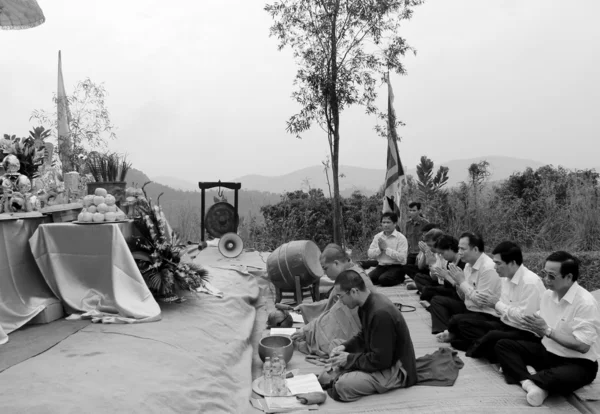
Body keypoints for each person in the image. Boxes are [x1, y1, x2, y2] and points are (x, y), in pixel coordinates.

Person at [494, 251, 600, 407]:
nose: (546, 280)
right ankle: (531, 384)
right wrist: (534, 324)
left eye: (551, 276)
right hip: (548, 353)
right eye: (544, 274)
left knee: (558, 377)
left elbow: (583, 346)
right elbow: (540, 327)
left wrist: (547, 331)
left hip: (577, 363)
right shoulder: (548, 295)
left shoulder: (585, 303)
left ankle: (529, 377)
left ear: (569, 277)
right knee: (502, 345)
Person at [322, 269, 417, 402]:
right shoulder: (365, 304)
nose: (341, 301)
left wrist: (349, 359)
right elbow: (364, 335)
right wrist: (344, 347)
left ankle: (345, 375)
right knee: (335, 347)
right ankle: (344, 369)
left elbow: (381, 361)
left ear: (354, 291)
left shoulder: (380, 313)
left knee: (342, 385)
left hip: (396, 369)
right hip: (379, 358)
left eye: (341, 296)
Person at [451, 241, 546, 361]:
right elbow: (498, 308)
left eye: (498, 263)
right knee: (465, 325)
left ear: (512, 263)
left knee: (492, 336)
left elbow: (525, 319)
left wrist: (497, 304)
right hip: (506, 323)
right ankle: (490, 350)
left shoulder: (530, 282)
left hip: (524, 330)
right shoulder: (505, 278)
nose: (495, 267)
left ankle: (486, 350)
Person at [291, 244, 376, 356]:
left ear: (336, 263)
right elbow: (335, 304)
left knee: (325, 343)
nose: (325, 274)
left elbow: (338, 310)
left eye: (325, 268)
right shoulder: (349, 273)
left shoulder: (352, 279)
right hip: (362, 326)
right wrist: (304, 307)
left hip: (364, 330)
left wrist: (308, 329)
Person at [430, 232, 501, 347]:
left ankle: (460, 337)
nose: (459, 252)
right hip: (470, 308)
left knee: (459, 322)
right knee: (453, 317)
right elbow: (464, 297)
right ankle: (455, 334)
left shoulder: (488, 268)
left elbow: (481, 302)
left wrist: (461, 281)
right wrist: (458, 283)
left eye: (463, 249)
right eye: (459, 248)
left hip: (486, 314)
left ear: (476, 249)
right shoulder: (468, 266)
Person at [416, 234, 466, 304]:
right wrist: (441, 275)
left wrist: (447, 276)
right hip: (449, 289)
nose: (441, 256)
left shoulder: (463, 262)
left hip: (459, 294)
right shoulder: (449, 261)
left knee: (434, 297)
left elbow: (462, 288)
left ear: (450, 248)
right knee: (427, 290)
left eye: (442, 253)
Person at [366, 212, 408, 287]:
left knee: (384, 280)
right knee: (367, 279)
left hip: (396, 266)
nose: (385, 225)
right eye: (383, 222)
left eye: (388, 222)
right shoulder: (378, 237)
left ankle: (401, 278)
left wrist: (386, 249)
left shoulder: (401, 238)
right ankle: (382, 277)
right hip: (382, 266)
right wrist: (380, 249)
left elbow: (402, 258)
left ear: (395, 224)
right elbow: (370, 254)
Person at [405, 202, 429, 266]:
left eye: (414, 210)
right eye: (410, 210)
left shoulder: (425, 223)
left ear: (419, 211)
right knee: (404, 266)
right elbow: (407, 239)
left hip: (421, 253)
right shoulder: (408, 224)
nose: (411, 212)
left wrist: (422, 252)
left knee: (418, 267)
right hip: (411, 252)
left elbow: (428, 240)